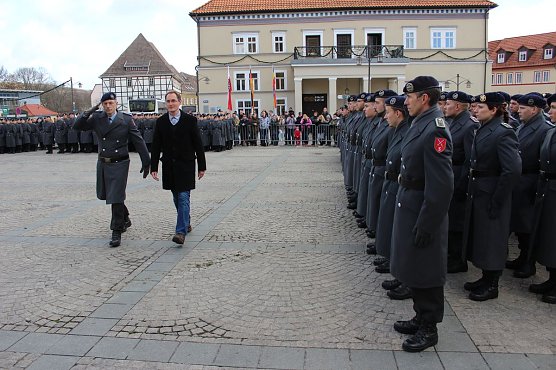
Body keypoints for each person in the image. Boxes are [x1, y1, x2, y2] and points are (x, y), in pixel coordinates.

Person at [390, 76, 453, 352]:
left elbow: (441, 185)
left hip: (423, 209)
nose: (406, 102)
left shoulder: (436, 130)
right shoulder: (422, 123)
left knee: (427, 268)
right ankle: (420, 315)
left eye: (410, 97)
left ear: (424, 98)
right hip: (411, 203)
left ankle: (429, 328)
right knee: (414, 264)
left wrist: (428, 223)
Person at [462, 93, 521, 301]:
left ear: (494, 109)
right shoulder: (483, 128)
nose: (474, 110)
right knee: (483, 238)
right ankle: (485, 277)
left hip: (493, 192)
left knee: (493, 239)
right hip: (480, 190)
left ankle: (492, 284)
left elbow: (512, 170)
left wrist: (498, 199)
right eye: (475, 106)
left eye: (479, 107)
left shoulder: (503, 132)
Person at [74, 92, 150, 247]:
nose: (108, 106)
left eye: (111, 103)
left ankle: (116, 230)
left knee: (115, 196)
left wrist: (146, 161)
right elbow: (77, 126)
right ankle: (125, 218)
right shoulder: (97, 118)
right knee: (106, 194)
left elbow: (138, 140)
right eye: (105, 103)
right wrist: (89, 111)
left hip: (120, 162)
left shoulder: (126, 120)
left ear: (116, 103)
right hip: (103, 162)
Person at [150, 90, 206, 245]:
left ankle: (180, 232)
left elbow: (198, 144)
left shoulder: (190, 121)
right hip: (169, 166)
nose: (171, 104)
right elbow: (156, 146)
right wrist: (153, 167)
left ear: (179, 102)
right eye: (168, 101)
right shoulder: (161, 122)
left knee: (183, 197)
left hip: (186, 165)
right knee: (176, 197)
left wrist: (202, 166)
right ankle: (186, 221)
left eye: (173, 101)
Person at [507, 93, 553, 278]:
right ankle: (522, 257)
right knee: (519, 224)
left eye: (524, 108)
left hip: (531, 182)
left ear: (534, 109)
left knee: (528, 226)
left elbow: (544, 160)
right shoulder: (523, 126)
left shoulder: (544, 129)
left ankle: (529, 261)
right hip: (520, 182)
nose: (519, 111)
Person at [443, 91, 480, 273]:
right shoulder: (452, 122)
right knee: (450, 219)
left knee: (457, 221)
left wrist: (461, 185)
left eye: (448, 103)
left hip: (459, 177)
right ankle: (450, 255)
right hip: (450, 174)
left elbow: (470, 159)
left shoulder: (469, 126)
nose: (445, 106)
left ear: (458, 106)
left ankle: (458, 259)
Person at [529, 94, 556, 303]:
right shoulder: (551, 132)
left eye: (555, 108)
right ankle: (552, 278)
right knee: (549, 237)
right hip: (548, 187)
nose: (551, 111)